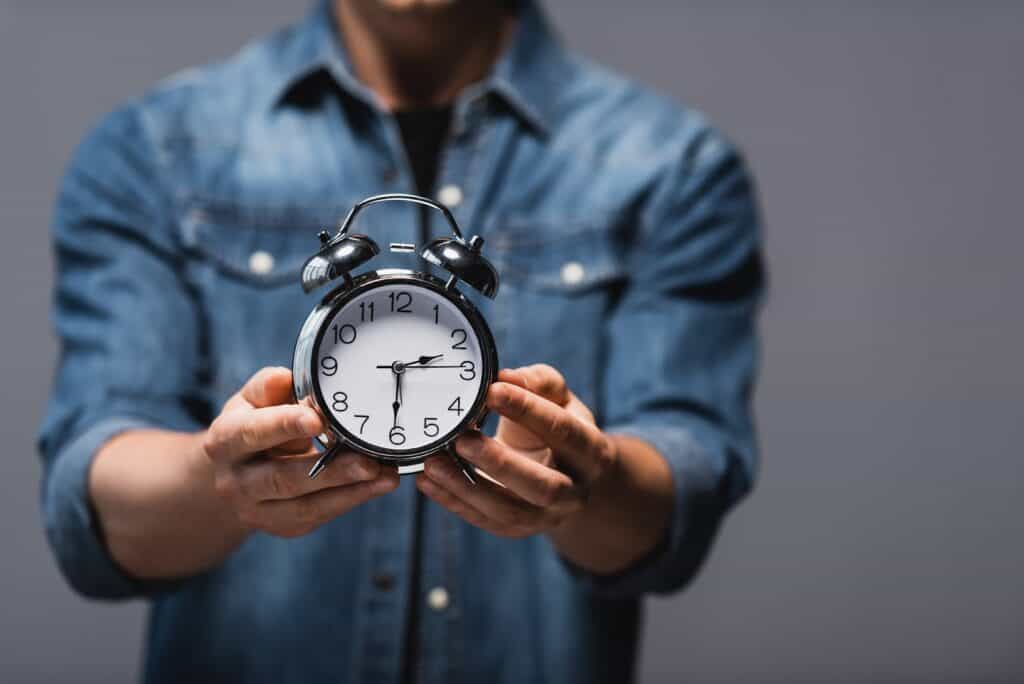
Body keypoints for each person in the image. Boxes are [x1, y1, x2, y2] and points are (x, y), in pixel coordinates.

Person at [38, 1, 763, 682]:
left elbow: (682, 491)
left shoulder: (673, 167)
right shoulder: (153, 150)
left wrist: (590, 480)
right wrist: (224, 481)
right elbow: (92, 502)